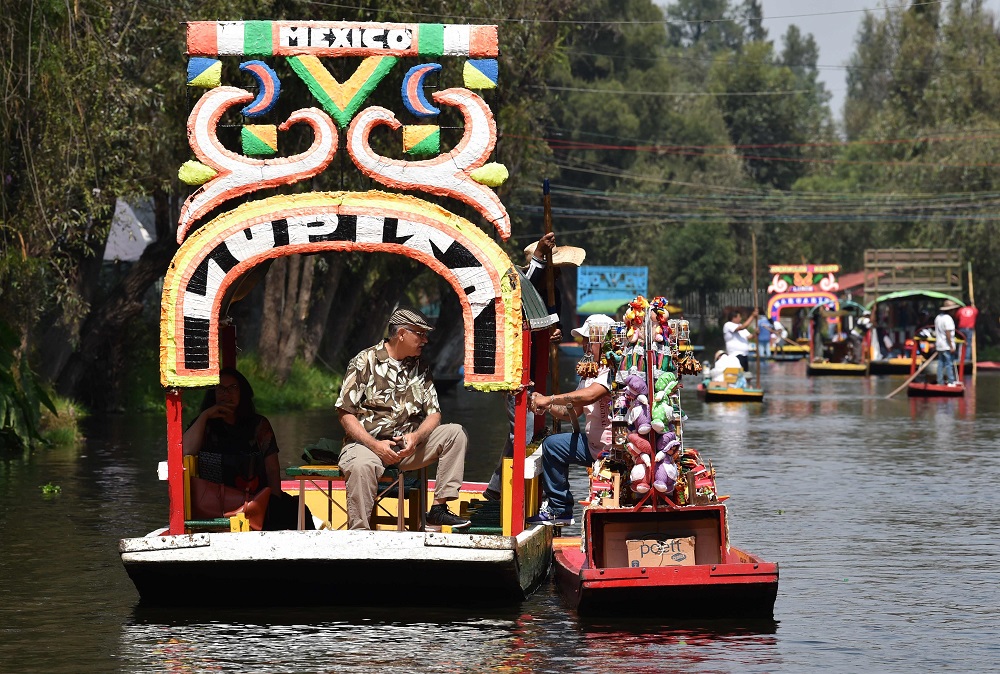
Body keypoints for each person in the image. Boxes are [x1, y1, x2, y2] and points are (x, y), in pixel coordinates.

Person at [335, 308, 471, 530]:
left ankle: (437, 510)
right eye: (420, 334)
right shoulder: (364, 361)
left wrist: (416, 437)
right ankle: (359, 534)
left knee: (456, 433)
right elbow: (345, 413)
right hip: (366, 445)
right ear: (401, 334)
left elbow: (434, 413)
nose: (425, 340)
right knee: (361, 466)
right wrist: (375, 445)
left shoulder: (421, 366)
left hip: (408, 449)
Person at [483, 232, 586, 502]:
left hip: (539, 372)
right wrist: (540, 253)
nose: (559, 276)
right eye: (554, 270)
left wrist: (556, 333)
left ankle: (502, 491)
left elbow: (555, 323)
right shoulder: (519, 289)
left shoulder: (554, 293)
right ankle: (505, 493)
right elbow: (524, 289)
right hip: (518, 373)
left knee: (532, 430)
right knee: (524, 431)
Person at [183, 367, 314, 530]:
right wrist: (205, 416)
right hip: (217, 503)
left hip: (257, 499)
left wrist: (273, 500)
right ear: (213, 394)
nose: (227, 393)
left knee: (299, 510)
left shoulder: (258, 425)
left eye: (233, 388)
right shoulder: (205, 425)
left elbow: (272, 468)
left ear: (242, 392)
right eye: (221, 389)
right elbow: (186, 449)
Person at [525, 313, 616, 526]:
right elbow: (572, 411)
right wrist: (546, 405)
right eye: (584, 340)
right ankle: (560, 509)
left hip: (615, 450)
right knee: (553, 446)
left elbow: (592, 395)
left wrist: (550, 398)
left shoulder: (616, 368)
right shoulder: (590, 372)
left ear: (601, 340)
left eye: (588, 340)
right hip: (593, 446)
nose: (584, 345)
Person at [934, 300, 960, 385]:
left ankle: (940, 381)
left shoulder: (938, 317)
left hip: (939, 345)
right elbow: (948, 333)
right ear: (950, 310)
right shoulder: (948, 319)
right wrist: (951, 346)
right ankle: (951, 381)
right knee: (949, 363)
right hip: (946, 345)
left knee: (940, 363)